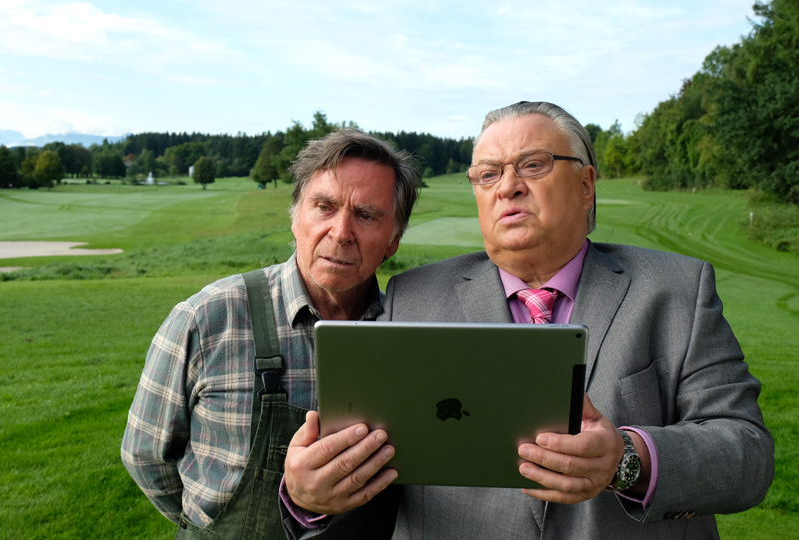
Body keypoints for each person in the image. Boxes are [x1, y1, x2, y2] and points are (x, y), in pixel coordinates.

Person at [282, 101, 774, 539]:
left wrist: (627, 459)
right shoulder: (413, 297)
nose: (509, 187)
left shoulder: (677, 291)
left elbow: (749, 455)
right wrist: (307, 500)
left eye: (533, 165)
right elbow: (373, 462)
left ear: (585, 185)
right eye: (488, 174)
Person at [121, 128, 420, 540]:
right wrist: (210, 527)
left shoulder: (408, 335)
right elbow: (145, 455)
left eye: (366, 215)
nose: (341, 232)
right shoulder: (208, 317)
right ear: (296, 218)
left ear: (393, 241)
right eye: (324, 207)